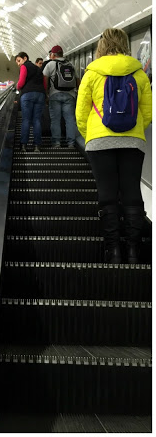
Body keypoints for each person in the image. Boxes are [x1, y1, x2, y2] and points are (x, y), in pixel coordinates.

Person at [75, 28, 152, 264]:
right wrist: (134, 132)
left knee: (107, 193)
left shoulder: (91, 73)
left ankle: (113, 251)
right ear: (125, 44)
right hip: (132, 141)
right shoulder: (139, 73)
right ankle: (132, 250)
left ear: (101, 46)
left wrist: (92, 137)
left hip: (99, 141)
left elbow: (81, 112)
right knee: (131, 192)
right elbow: (147, 112)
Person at [43, 45, 78, 147]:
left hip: (55, 94)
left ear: (53, 55)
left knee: (55, 120)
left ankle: (56, 142)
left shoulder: (50, 65)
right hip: (70, 95)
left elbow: (44, 80)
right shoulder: (71, 65)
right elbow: (77, 80)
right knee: (70, 119)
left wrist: (46, 94)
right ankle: (71, 143)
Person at [15, 51, 47, 152]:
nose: (19, 64)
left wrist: (18, 87)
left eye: (19, 60)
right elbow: (44, 83)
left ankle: (24, 145)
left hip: (28, 94)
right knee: (36, 120)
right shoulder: (38, 68)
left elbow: (21, 81)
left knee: (26, 120)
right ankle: (37, 146)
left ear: (25, 58)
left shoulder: (24, 66)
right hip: (40, 94)